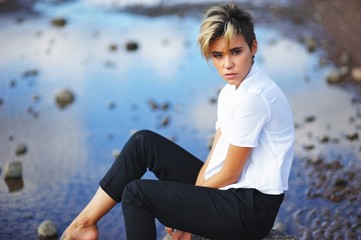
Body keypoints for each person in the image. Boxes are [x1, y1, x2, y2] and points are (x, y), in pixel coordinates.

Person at [60, 3, 294, 240]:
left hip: (249, 211)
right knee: (142, 142)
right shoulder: (231, 91)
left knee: (136, 193)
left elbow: (230, 174)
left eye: (236, 51)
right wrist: (188, 208)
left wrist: (183, 216)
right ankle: (85, 223)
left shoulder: (254, 98)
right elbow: (214, 160)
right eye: (218, 55)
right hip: (230, 192)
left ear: (253, 47)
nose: (227, 64)